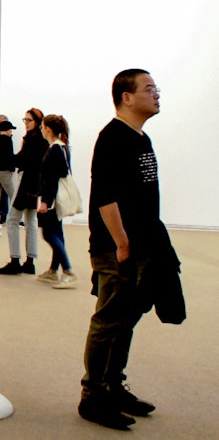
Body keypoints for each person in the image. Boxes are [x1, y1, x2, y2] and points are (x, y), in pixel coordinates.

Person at [78, 69, 184, 430]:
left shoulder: (141, 138)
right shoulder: (112, 138)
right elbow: (105, 197)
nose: (157, 94)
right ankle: (93, 396)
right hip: (117, 249)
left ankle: (112, 385)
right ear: (127, 97)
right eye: (149, 89)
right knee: (109, 320)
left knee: (126, 320)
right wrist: (122, 243)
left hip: (143, 246)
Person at [0, 108, 47, 275]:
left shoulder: (34, 140)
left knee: (12, 220)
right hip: (34, 184)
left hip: (27, 184)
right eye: (25, 120)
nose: (26, 123)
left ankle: (15, 260)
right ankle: (30, 261)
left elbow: (22, 160)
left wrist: (6, 146)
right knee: (31, 221)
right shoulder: (39, 140)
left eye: (29, 120)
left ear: (37, 122)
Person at [35, 114, 77, 288]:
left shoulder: (55, 149)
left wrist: (45, 201)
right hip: (54, 197)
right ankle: (53, 270)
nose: (41, 130)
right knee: (56, 232)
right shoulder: (62, 147)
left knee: (49, 233)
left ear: (48, 129)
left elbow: (52, 178)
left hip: (52, 198)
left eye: (42, 127)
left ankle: (67, 270)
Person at [0, 116, 17, 223]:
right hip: (5, 171)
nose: (11, 132)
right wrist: (12, 168)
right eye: (10, 129)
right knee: (13, 194)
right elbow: (10, 156)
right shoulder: (8, 140)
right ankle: (17, 217)